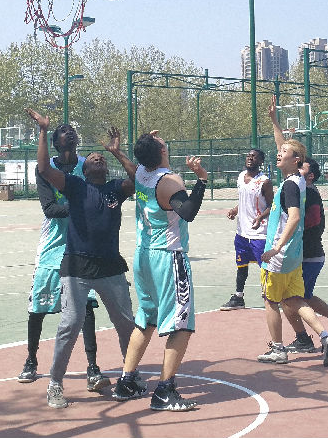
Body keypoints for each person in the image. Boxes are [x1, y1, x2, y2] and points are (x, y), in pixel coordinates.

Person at [26, 108, 138, 409]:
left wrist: (116, 152)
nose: (97, 158)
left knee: (126, 324)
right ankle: (55, 383)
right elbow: (44, 169)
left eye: (101, 158)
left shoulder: (116, 190)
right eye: (93, 158)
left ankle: (130, 376)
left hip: (110, 266)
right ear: (83, 170)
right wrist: (43, 131)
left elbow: (139, 179)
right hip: (76, 266)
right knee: (70, 324)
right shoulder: (75, 187)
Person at [113, 132, 208, 412]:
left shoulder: (142, 173)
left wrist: (132, 148)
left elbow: (135, 165)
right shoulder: (169, 182)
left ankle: (126, 381)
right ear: (162, 152)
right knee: (181, 325)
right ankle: (165, 391)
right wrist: (201, 179)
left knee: (146, 319)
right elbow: (188, 212)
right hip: (168, 256)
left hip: (143, 255)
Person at [17, 122, 109, 393]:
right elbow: (50, 209)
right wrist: (82, 205)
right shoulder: (45, 169)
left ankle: (93, 367)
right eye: (63, 131)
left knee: (86, 306)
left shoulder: (86, 165)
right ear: (56, 143)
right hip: (52, 244)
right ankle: (31, 359)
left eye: (72, 131)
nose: (70, 132)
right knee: (38, 307)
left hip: (80, 243)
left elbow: (99, 193)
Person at [256, 98, 328, 367]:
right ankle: (326, 337)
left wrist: (276, 247)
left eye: (284, 152)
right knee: (294, 299)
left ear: (296, 160)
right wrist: (274, 122)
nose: (279, 152)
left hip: (280, 256)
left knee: (270, 301)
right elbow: (282, 145)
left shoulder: (291, 186)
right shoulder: (296, 180)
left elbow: (293, 217)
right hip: (294, 257)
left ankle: (278, 349)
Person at [283, 156, 328, 354]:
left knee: (290, 298)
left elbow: (313, 222)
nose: (298, 169)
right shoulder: (301, 190)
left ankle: (306, 339)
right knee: (303, 298)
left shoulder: (309, 193)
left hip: (309, 256)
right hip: (306, 255)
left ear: (310, 176)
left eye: (302, 167)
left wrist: (288, 229)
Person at [220, 149, 273, 310]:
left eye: (254, 156)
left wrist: (260, 217)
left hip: (259, 233)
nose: (250, 158)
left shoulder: (264, 182)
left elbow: (272, 206)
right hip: (241, 233)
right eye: (248, 156)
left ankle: (273, 297)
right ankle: (238, 297)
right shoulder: (241, 177)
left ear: (260, 161)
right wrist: (235, 210)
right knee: (241, 265)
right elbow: (244, 200)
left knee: (266, 267)